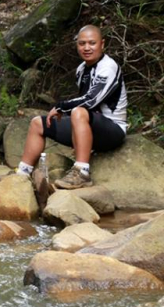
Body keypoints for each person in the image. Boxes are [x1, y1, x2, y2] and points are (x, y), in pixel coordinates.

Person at [16, 25, 127, 189]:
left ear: (102, 44)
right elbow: (84, 103)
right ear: (77, 45)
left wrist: (61, 107)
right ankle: (22, 175)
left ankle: (81, 173)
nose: (87, 48)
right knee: (38, 123)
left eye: (92, 43)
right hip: (89, 126)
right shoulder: (82, 69)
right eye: (82, 43)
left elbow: (90, 101)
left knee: (78, 111)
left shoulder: (108, 67)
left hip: (112, 130)